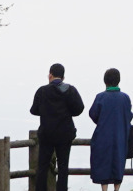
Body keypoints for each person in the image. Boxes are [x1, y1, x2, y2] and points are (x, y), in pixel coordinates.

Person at [30, 63, 85, 191]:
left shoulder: (42, 91)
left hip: (47, 134)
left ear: (50, 75)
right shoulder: (70, 90)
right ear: (63, 77)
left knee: (42, 165)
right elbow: (79, 108)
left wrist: (45, 111)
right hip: (65, 133)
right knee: (63, 166)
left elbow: (34, 110)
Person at [88, 67, 133, 189]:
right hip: (120, 136)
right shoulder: (125, 98)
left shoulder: (100, 97)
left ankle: (104, 189)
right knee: (118, 163)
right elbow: (129, 116)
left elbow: (93, 114)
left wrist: (103, 122)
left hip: (103, 137)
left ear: (105, 81)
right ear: (118, 80)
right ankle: (117, 189)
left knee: (104, 165)